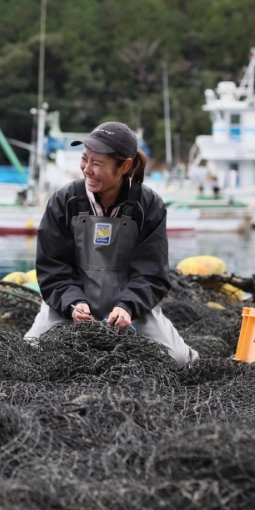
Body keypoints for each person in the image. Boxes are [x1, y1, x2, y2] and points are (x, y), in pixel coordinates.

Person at [25, 122, 197, 366]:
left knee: (179, 361)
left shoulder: (148, 204)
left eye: (97, 163)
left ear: (124, 166)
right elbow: (52, 268)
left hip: (130, 309)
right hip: (70, 307)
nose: (87, 169)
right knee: (28, 356)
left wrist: (127, 306)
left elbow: (152, 274)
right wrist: (74, 302)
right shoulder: (64, 200)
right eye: (85, 159)